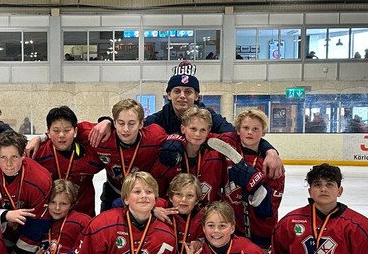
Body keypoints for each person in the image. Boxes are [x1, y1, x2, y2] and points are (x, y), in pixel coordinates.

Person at [86, 72, 283, 179]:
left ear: (196, 96)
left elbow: (237, 136)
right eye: (177, 91)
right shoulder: (159, 119)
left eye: (188, 91)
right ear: (168, 95)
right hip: (169, 181)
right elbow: (131, 125)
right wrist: (107, 121)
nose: (182, 96)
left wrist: (269, 150)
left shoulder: (209, 117)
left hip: (202, 179)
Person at [211, 108, 285, 251]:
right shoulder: (228, 147)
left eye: (256, 129)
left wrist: (256, 187)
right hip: (230, 228)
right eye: (245, 128)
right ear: (238, 130)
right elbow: (201, 137)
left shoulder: (271, 164)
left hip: (260, 234)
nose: (250, 132)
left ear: (264, 132)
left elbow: (269, 210)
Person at [0, 130, 53, 254]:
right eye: (3, 157)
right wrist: (5, 215)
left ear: (23, 155)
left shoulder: (40, 179)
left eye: (14, 157)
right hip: (0, 233)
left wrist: (20, 251)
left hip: (31, 232)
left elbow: (40, 218)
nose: (8, 164)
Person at [31, 105, 106, 215]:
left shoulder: (91, 153)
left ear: (75, 131)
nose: (61, 135)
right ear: (48, 132)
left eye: (67, 130)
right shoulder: (37, 153)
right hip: (48, 216)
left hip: (83, 216)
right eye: (56, 130)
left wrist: (108, 121)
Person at [23, 179, 90, 254]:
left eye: (63, 204)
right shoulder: (37, 223)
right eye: (53, 202)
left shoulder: (81, 222)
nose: (57, 208)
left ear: (72, 204)